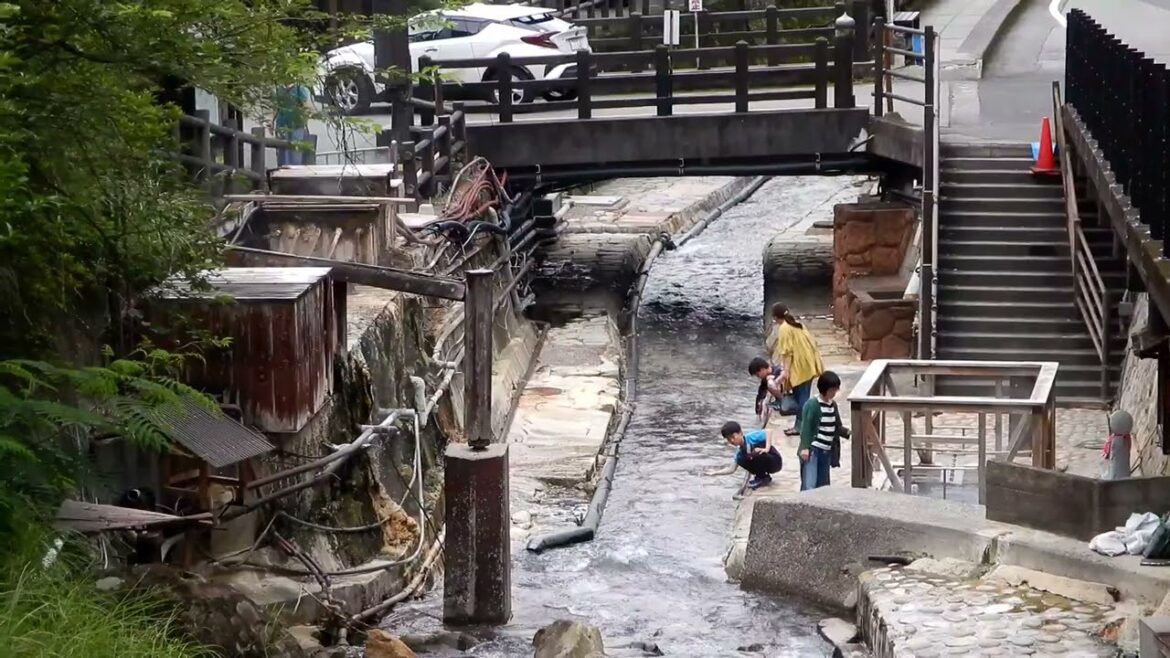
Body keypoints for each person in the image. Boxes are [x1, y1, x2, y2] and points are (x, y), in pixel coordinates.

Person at [766, 302, 824, 437]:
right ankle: (801, 425)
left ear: (775, 317)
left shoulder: (784, 329)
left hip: (800, 367)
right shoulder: (797, 324)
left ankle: (802, 427)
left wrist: (784, 372)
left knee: (801, 399)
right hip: (808, 364)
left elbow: (787, 352)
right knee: (803, 396)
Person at [799, 371, 844, 491]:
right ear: (824, 389)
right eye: (832, 390)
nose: (834, 393)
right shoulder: (812, 404)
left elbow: (837, 426)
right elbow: (806, 427)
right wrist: (805, 447)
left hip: (826, 450)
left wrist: (850, 433)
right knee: (809, 484)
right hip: (814, 449)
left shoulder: (832, 405)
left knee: (823, 486)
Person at [705, 421, 783, 490]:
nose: (732, 441)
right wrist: (715, 473)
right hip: (766, 465)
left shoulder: (750, 437)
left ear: (740, 433)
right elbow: (731, 469)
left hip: (774, 461)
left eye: (733, 437)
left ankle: (762, 478)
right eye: (729, 439)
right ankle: (762, 477)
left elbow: (768, 432)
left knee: (750, 449)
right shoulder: (739, 451)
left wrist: (766, 448)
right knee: (741, 459)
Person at [274, 83, 311, 166]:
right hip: (282, 124)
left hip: (296, 125)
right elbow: (276, 107)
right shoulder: (279, 89)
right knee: (282, 152)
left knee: (295, 152)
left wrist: (304, 119)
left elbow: (306, 106)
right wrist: (270, 122)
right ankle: (283, 173)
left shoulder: (299, 89)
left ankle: (295, 174)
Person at [748, 356, 785, 427]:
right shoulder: (765, 379)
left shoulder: (778, 370)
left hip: (787, 394)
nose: (758, 377)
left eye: (757, 374)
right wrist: (758, 409)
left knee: (770, 382)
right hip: (781, 394)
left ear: (762, 369)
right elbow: (760, 393)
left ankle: (781, 402)